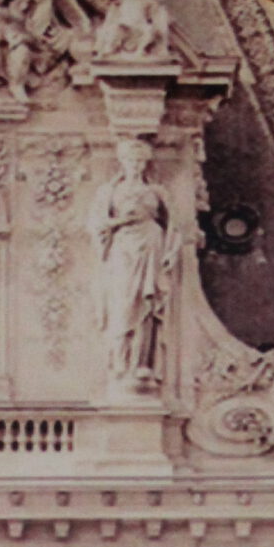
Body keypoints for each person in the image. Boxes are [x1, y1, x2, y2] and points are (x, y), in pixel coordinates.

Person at [89, 137, 180, 389]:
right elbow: (96, 224)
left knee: (147, 302)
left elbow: (174, 225)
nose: (136, 165)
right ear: (122, 161)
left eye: (141, 160)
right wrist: (121, 221)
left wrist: (171, 251)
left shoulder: (157, 192)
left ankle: (143, 362)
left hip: (151, 244)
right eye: (131, 160)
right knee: (122, 302)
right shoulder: (109, 191)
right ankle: (121, 361)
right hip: (122, 248)